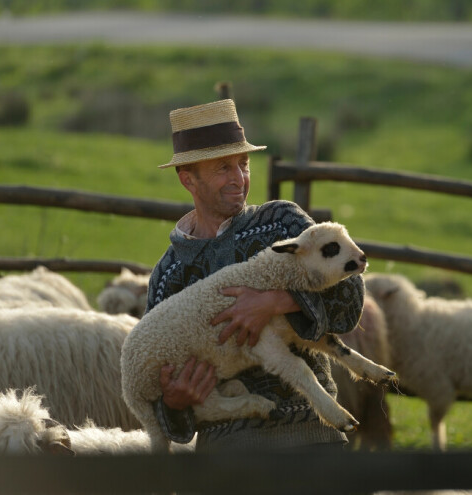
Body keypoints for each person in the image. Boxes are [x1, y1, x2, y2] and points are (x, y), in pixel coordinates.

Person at [144, 98, 365, 451]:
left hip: (311, 440)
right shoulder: (168, 276)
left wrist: (276, 301)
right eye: (222, 168)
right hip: (227, 460)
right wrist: (174, 400)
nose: (239, 178)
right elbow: (164, 415)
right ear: (189, 179)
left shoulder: (283, 223)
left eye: (244, 164)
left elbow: (350, 303)